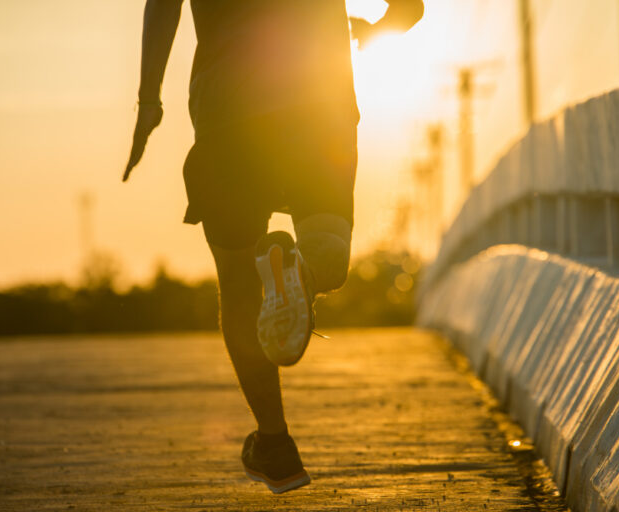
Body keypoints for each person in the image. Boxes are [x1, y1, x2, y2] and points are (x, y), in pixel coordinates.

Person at [124, 0, 423, 494]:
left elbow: (162, 6)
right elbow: (410, 8)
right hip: (318, 107)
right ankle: (300, 271)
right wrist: (376, 30)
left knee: (240, 283)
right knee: (328, 250)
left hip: (228, 111)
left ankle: (275, 445)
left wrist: (148, 101)